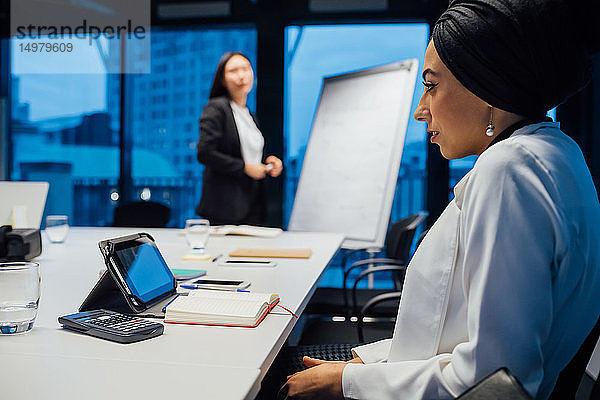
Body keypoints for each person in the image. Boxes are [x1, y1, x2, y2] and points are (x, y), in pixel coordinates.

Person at [276, 0, 600, 399]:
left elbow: (493, 378)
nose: (419, 111)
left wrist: (347, 383)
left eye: (430, 85)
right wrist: (364, 364)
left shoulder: (509, 168)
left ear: (487, 84)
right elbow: (454, 337)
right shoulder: (556, 152)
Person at [196, 52, 283, 225]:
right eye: (234, 71)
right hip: (224, 206)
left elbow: (249, 153)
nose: (242, 75)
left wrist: (269, 162)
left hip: (253, 203)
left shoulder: (250, 115)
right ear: (222, 79)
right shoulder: (216, 108)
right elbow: (205, 153)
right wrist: (244, 168)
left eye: (246, 69)